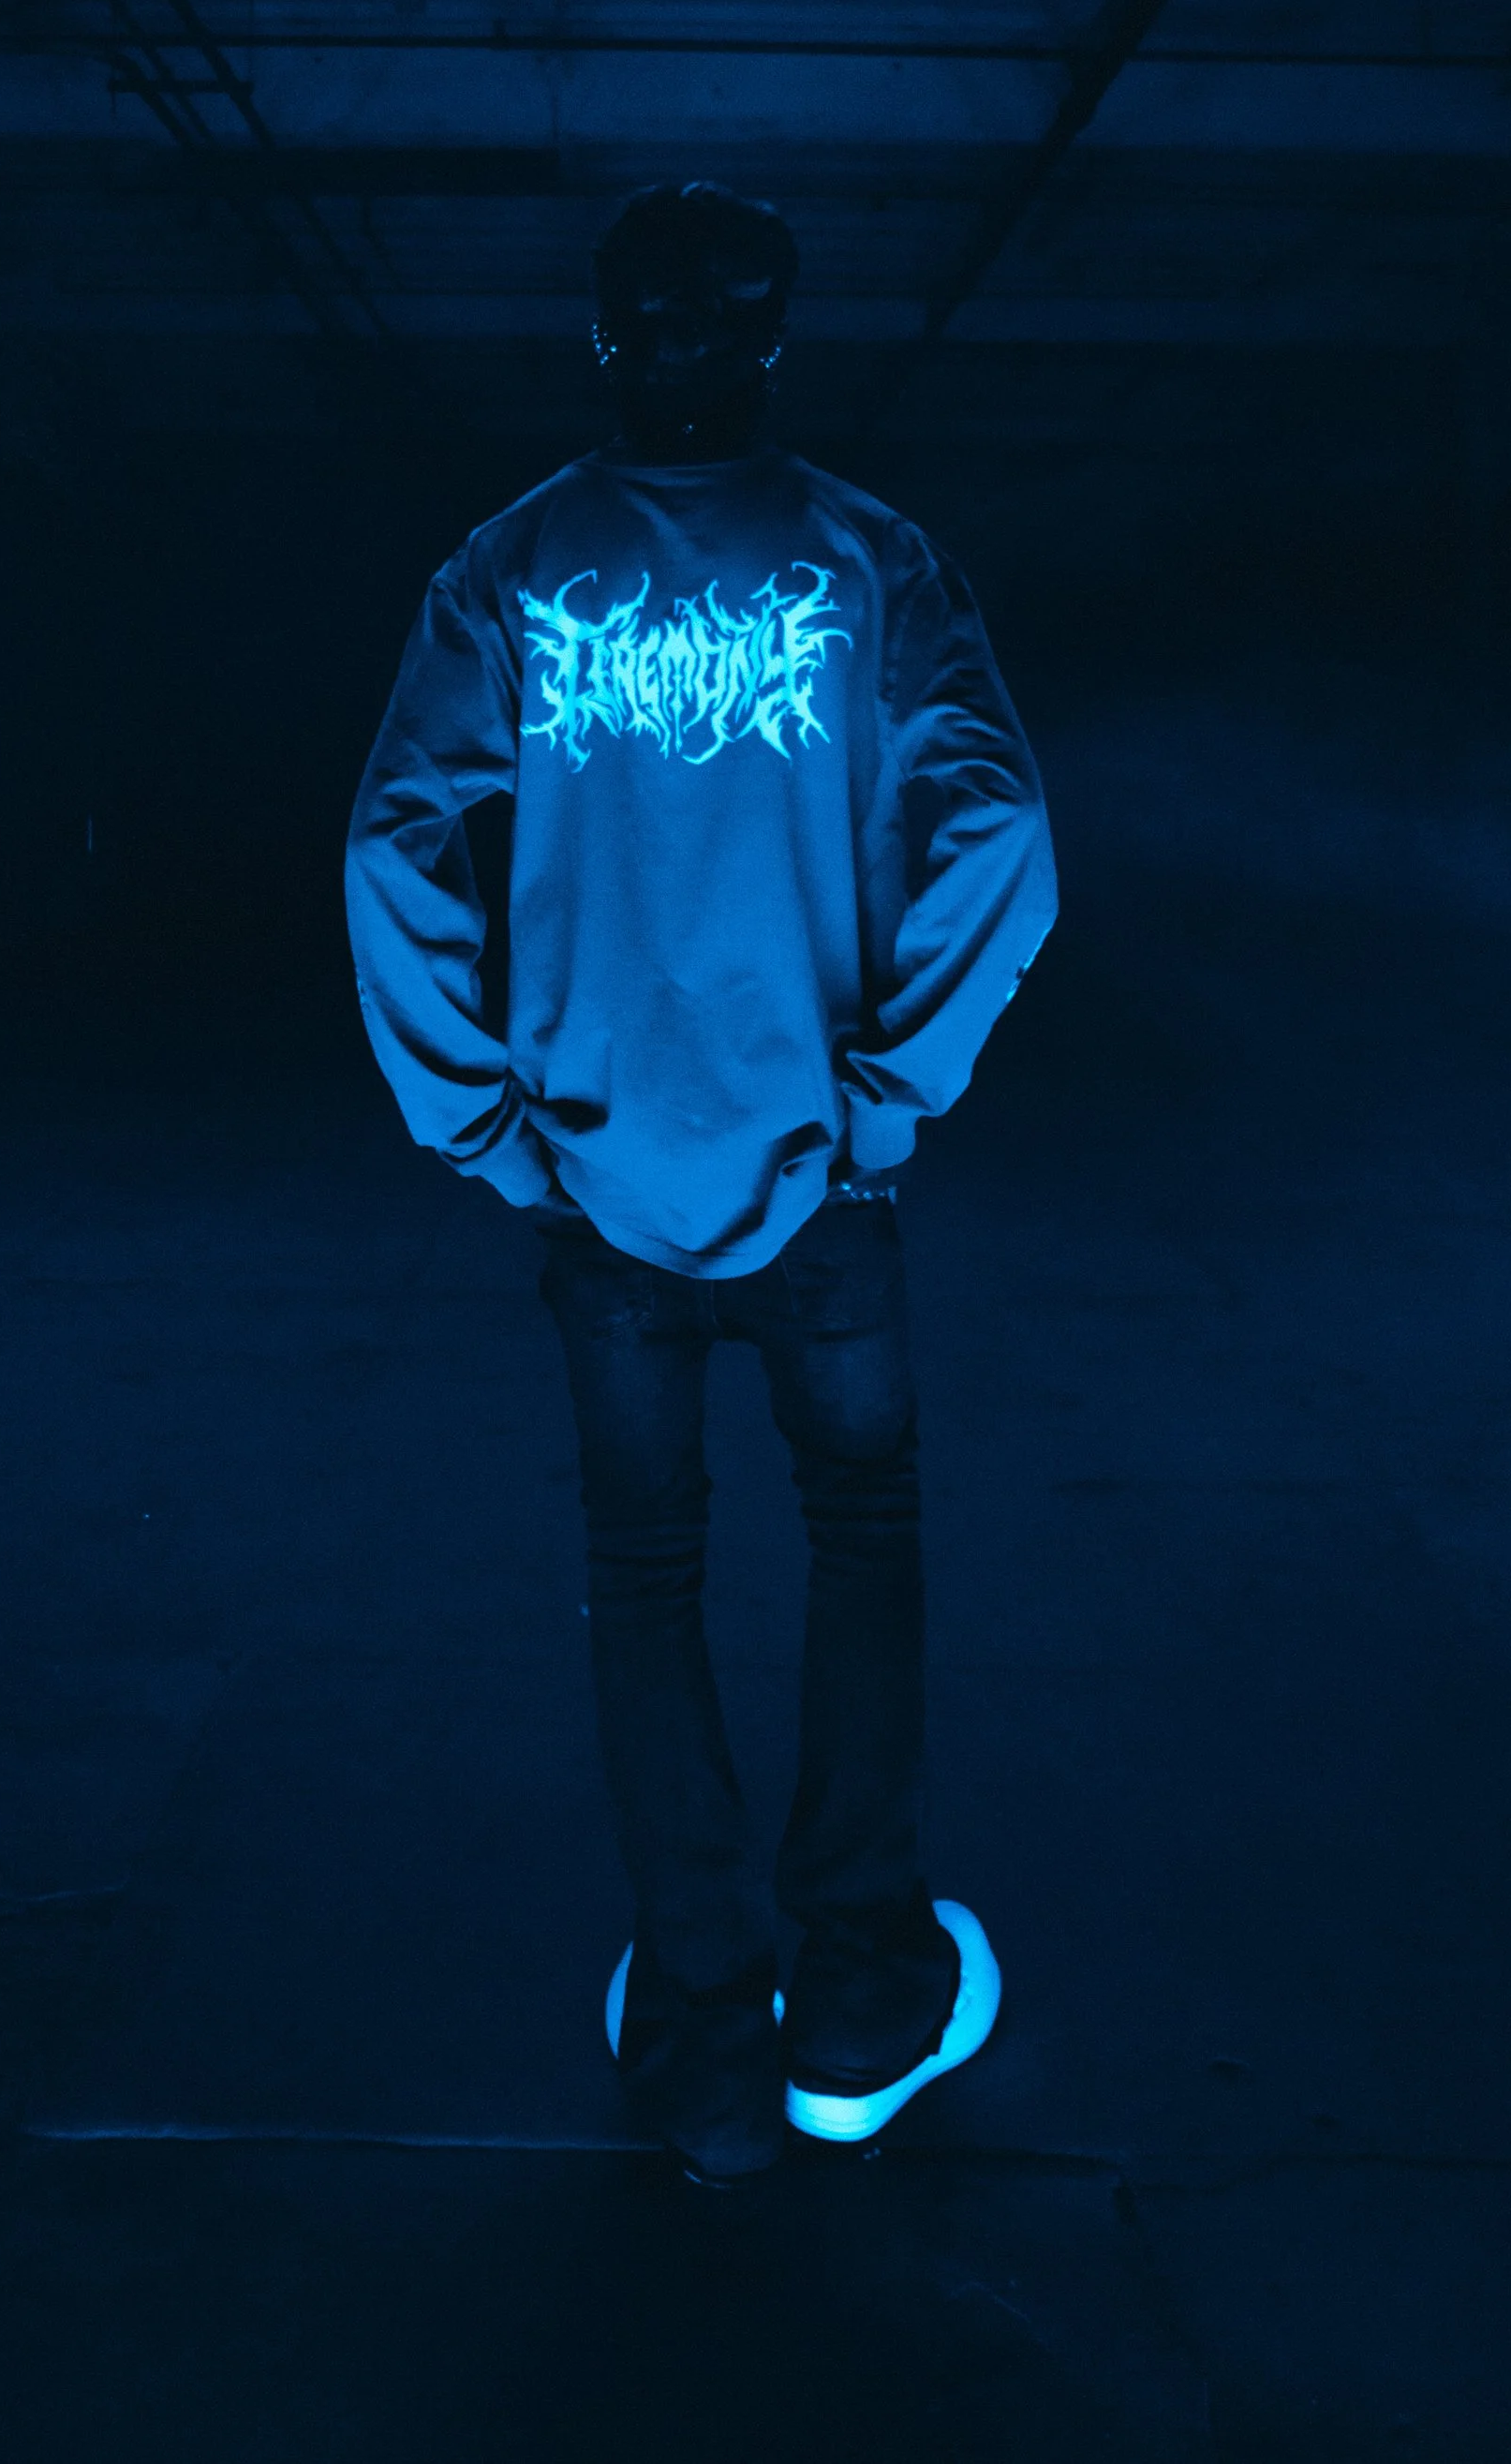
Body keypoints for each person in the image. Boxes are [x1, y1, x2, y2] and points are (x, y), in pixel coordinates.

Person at [345, 180, 1057, 2183]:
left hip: (594, 1193)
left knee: (643, 1577)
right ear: (765, 343)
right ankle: (851, 2007)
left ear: (602, 341)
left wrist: (483, 1125)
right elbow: (1002, 834)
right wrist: (889, 1091)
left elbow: (391, 852)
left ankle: (697, 2036)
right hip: (823, 1188)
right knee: (863, 1543)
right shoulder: (869, 559)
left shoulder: (505, 571)